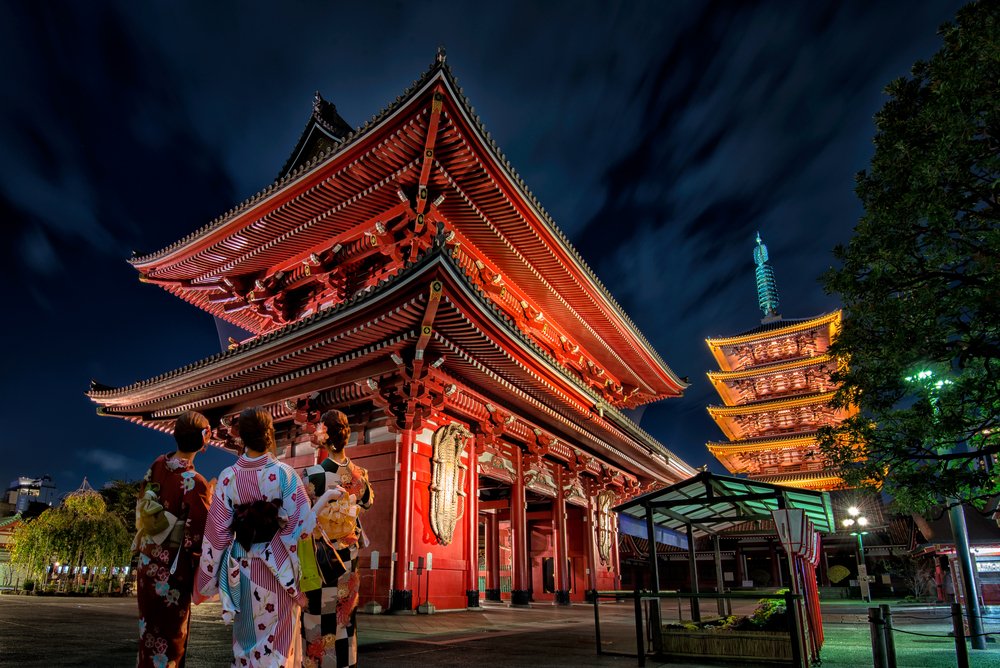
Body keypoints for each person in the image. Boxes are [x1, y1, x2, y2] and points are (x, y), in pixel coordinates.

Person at [196, 407, 315, 667]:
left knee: (245, 641)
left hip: (243, 570)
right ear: (270, 435)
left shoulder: (229, 477)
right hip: (279, 572)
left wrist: (206, 578)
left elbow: (216, 533)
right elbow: (302, 527)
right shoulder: (285, 475)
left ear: (241, 438)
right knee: (279, 646)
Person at [136, 410, 213, 668]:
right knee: (171, 638)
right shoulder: (196, 482)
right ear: (204, 441)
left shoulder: (157, 464)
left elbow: (143, 499)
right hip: (172, 570)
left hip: (147, 563)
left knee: (148, 632)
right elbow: (196, 537)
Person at [302, 409, 374, 668]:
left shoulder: (312, 475)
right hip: (349, 558)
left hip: (322, 558)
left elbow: (303, 518)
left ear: (326, 435)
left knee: (318, 615)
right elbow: (365, 505)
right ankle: (345, 663)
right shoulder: (360, 475)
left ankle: (318, 662)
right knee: (345, 615)